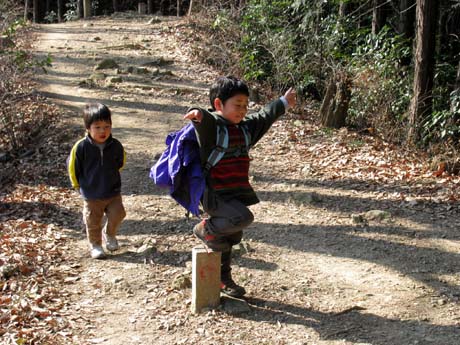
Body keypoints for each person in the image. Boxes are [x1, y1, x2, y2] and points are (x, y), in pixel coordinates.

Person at [184, 76, 296, 297]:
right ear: (219, 104)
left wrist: (282, 102)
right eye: (237, 105)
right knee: (243, 218)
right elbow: (204, 120)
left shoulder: (245, 129)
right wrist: (197, 114)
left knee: (231, 236)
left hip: (233, 192)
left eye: (245, 105)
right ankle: (204, 229)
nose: (243, 110)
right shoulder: (214, 128)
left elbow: (264, 116)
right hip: (212, 193)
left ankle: (223, 280)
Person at [67, 103, 126, 259]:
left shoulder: (115, 145)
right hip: (92, 194)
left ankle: (110, 234)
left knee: (118, 214)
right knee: (93, 222)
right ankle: (95, 245)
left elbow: (121, 162)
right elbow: (73, 167)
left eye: (107, 126)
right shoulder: (81, 147)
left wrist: (111, 176)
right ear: (88, 128)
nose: (103, 131)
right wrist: (77, 185)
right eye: (97, 127)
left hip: (112, 191)